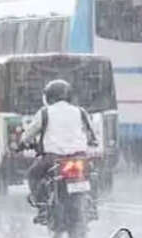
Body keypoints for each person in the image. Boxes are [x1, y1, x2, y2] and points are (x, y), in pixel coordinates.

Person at [19, 79, 98, 223]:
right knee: (92, 173)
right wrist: (92, 142)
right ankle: (92, 205)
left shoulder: (44, 113)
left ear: (48, 97)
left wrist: (23, 143)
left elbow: (29, 134)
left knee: (32, 175)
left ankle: (42, 208)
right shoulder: (80, 112)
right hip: (79, 157)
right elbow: (92, 134)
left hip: (53, 159)